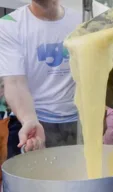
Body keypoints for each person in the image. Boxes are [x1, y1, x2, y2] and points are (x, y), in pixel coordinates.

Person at [0, 0, 82, 156]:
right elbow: (15, 83)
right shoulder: (9, 24)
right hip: (31, 120)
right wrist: (29, 119)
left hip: (76, 121)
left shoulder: (81, 22)